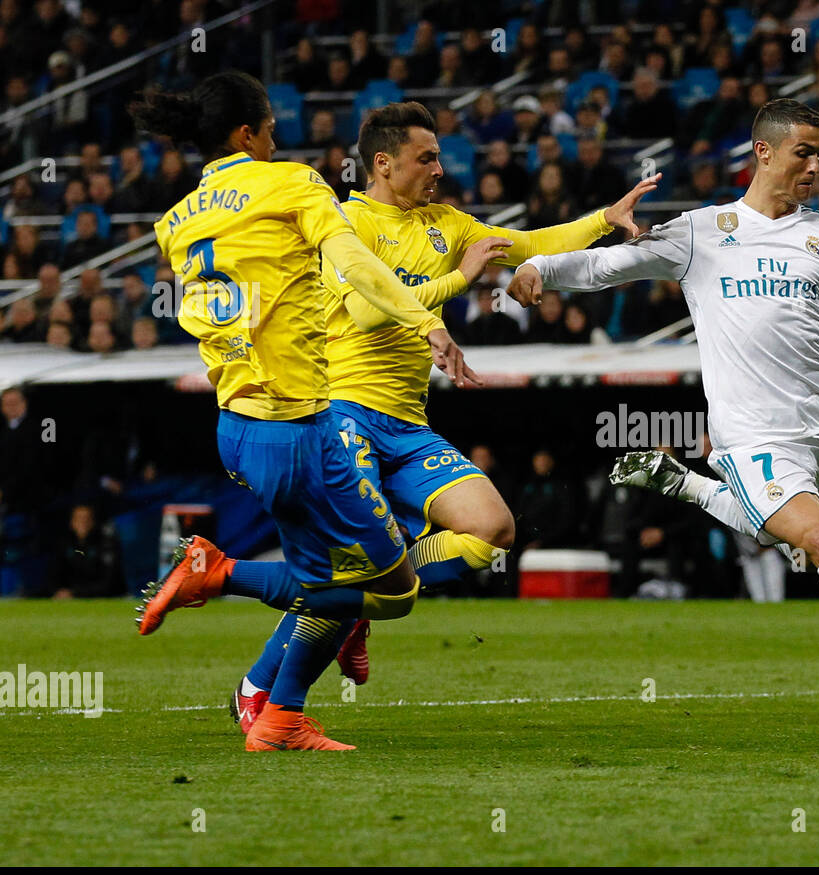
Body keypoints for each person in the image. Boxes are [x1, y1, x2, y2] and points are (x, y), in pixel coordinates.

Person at [508, 99, 819, 727]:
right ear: (763, 152)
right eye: (804, 152)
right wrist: (540, 268)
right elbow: (609, 265)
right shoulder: (702, 233)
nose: (816, 165)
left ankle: (683, 483)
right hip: (749, 435)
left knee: (781, 535)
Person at [230, 101, 657, 723]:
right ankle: (259, 686)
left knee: (491, 528)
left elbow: (528, 244)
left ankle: (364, 603)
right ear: (383, 162)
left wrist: (602, 219)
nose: (439, 167)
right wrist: (459, 280)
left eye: (438, 156)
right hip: (342, 414)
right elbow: (370, 312)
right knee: (355, 569)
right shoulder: (343, 223)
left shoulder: (446, 223)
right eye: (425, 157)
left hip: (406, 423)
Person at [130, 71, 451, 751]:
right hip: (294, 425)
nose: (279, 137)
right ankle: (236, 616)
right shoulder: (295, 184)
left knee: (368, 584)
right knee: (369, 588)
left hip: (237, 425)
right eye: (271, 126)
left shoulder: (175, 221)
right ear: (247, 132)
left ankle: (270, 694)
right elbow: (356, 264)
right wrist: (425, 319)